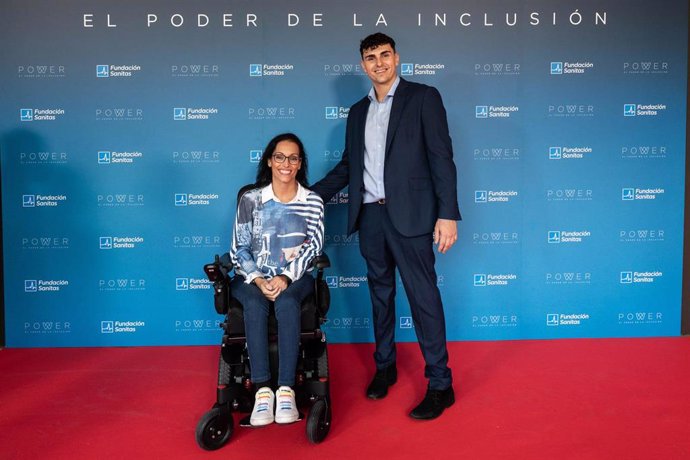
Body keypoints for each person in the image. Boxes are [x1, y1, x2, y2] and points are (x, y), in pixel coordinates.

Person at [311, 33, 460, 420]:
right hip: (371, 218)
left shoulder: (424, 98)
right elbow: (348, 167)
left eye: (384, 55)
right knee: (380, 297)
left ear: (397, 58)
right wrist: (305, 196)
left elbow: (442, 159)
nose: (378, 63)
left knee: (423, 298)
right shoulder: (357, 112)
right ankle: (385, 366)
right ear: (363, 65)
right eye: (370, 58)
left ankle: (441, 385)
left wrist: (448, 215)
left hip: (412, 218)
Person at [229, 133, 325, 426]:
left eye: (293, 158)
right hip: (252, 278)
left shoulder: (312, 202)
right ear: (270, 161)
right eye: (280, 157)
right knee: (255, 303)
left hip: (294, 278)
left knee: (286, 302)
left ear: (299, 164)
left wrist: (285, 277)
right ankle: (262, 392)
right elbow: (239, 248)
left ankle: (286, 391)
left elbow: (313, 247)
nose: (286, 163)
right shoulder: (251, 200)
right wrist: (258, 279)